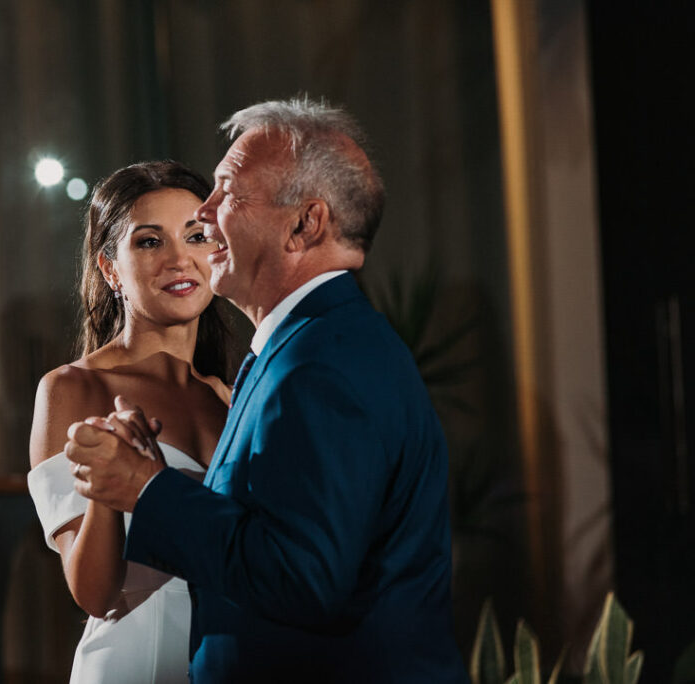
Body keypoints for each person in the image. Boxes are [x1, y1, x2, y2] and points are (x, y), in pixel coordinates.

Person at [65, 98, 469, 682]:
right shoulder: (303, 349)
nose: (205, 215)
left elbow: (302, 578)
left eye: (227, 191)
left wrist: (148, 491)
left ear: (305, 224)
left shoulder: (322, 364)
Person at [27, 160, 233, 683]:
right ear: (110, 268)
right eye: (149, 242)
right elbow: (94, 594)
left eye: (196, 235)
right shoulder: (73, 389)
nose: (179, 258)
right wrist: (110, 486)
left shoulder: (232, 397)